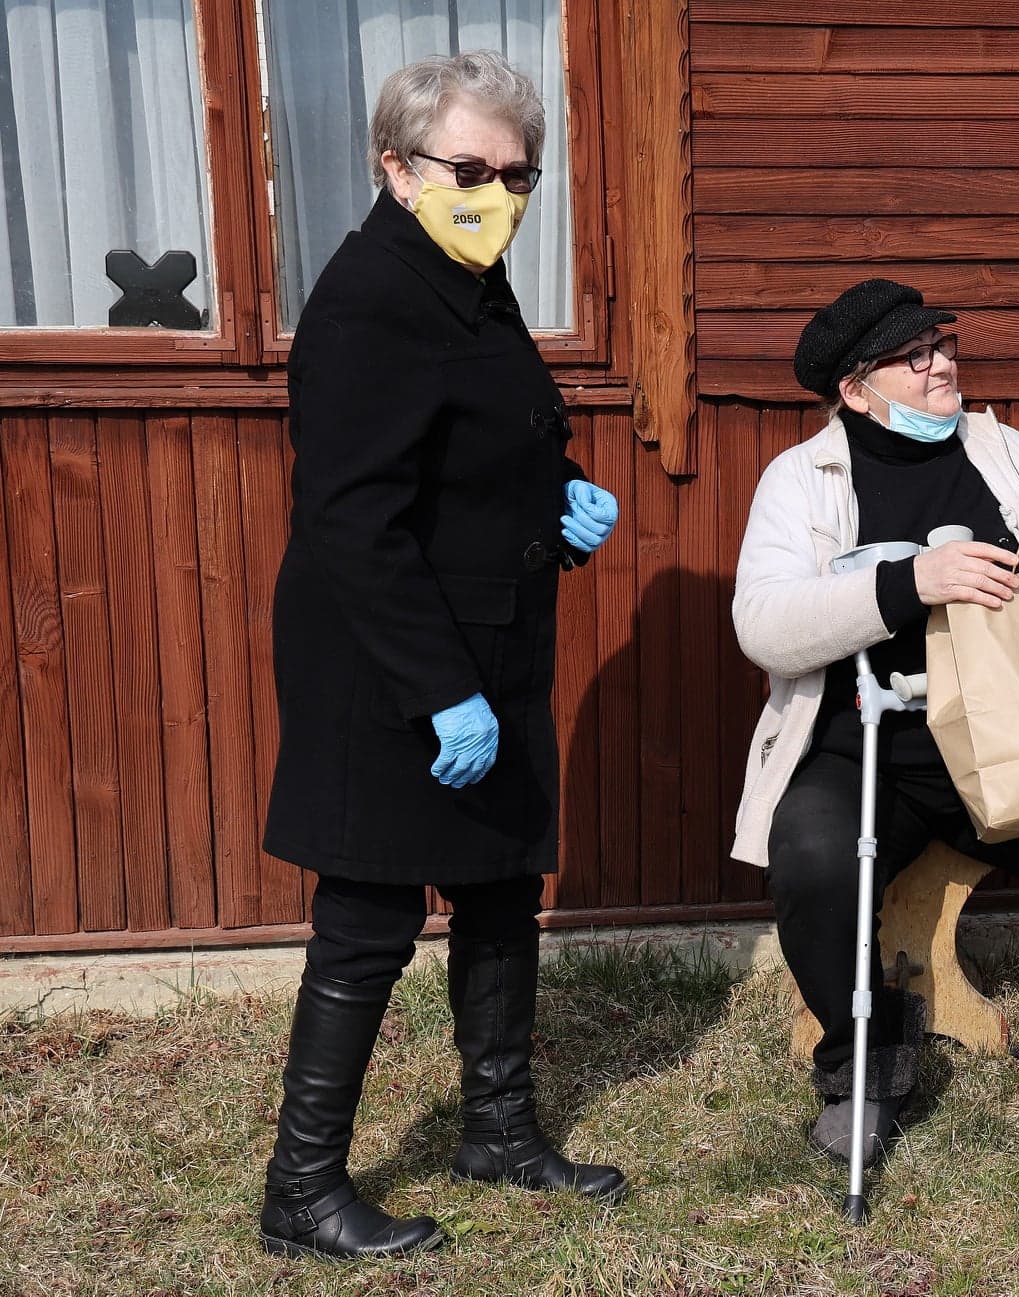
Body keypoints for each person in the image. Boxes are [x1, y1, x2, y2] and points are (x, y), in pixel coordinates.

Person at [258, 51, 625, 1261]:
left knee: (499, 893)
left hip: (493, 637)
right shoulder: (369, 298)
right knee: (367, 914)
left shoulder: (472, 277)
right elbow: (354, 519)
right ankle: (302, 1190)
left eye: (518, 175)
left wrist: (560, 493)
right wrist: (442, 692)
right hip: (391, 658)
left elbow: (482, 445)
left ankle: (499, 1132)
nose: (499, 195)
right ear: (396, 170)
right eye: (470, 170)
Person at [731, 278, 1019, 1162]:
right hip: (870, 746)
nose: (942, 366)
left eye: (945, 345)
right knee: (807, 847)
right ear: (856, 388)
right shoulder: (802, 479)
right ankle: (868, 1056)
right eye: (914, 356)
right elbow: (763, 626)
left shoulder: (1002, 451)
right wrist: (908, 584)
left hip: (1009, 737)